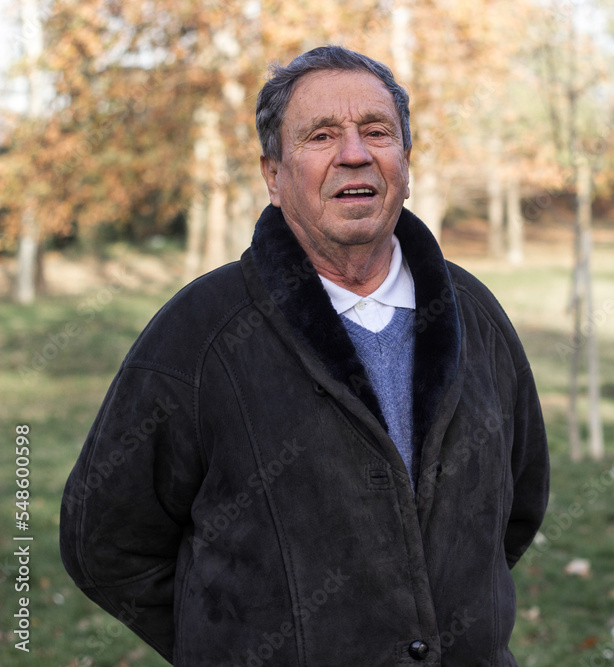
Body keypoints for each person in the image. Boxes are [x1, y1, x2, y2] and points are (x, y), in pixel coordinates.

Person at [60, 45, 549, 666]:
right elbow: (102, 541)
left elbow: (518, 507)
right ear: (273, 173)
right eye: (321, 136)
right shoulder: (200, 334)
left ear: (405, 158)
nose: (355, 153)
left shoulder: (475, 315)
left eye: (377, 132)